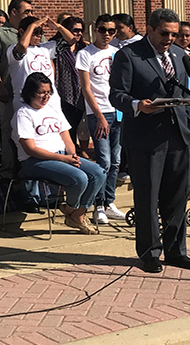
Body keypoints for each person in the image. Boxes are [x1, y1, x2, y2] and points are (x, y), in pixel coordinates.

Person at [109, 8, 190, 273]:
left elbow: (185, 89)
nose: (170, 38)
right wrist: (138, 104)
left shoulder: (181, 55)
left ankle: (176, 251)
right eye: (164, 33)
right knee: (148, 197)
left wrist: (189, 118)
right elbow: (116, 94)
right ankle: (150, 253)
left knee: (178, 197)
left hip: (179, 134)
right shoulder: (129, 55)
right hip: (146, 137)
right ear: (149, 29)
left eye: (174, 34)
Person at [15, 72, 105, 235]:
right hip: (35, 161)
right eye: (41, 93)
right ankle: (75, 214)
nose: (45, 97)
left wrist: (72, 155)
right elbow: (30, 149)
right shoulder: (23, 113)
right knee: (79, 178)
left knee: (99, 173)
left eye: (48, 93)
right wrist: (64, 158)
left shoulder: (53, 110)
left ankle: (75, 213)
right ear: (30, 93)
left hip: (62, 155)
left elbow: (67, 137)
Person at [76, 14, 124, 225]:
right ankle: (99, 205)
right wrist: (98, 115)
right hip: (99, 111)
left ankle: (110, 201)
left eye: (111, 31)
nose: (107, 34)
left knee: (116, 161)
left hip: (119, 112)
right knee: (103, 160)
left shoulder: (118, 53)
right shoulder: (86, 54)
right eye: (103, 29)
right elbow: (86, 89)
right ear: (95, 29)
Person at [0, 0, 35, 181]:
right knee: (9, 132)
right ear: (13, 12)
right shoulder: (0, 34)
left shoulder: (35, 31)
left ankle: (30, 173)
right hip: (9, 92)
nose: (30, 15)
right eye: (26, 11)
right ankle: (8, 172)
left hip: (33, 97)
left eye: (31, 11)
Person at [52, 16, 87, 147]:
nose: (79, 33)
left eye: (81, 30)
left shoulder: (84, 48)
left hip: (79, 94)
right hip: (62, 92)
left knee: (76, 126)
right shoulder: (56, 47)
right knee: (65, 128)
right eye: (75, 30)